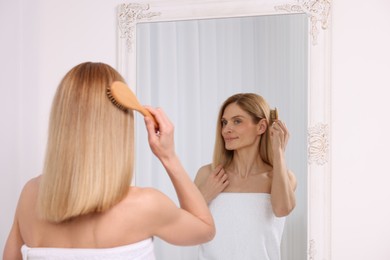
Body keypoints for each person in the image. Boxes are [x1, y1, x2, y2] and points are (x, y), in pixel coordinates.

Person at [3, 62, 215, 260]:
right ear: (119, 126)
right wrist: (168, 156)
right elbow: (205, 229)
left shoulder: (30, 195)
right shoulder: (145, 206)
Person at [195, 93, 296, 260]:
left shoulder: (281, 177)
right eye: (224, 122)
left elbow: (282, 209)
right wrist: (204, 196)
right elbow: (183, 228)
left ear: (261, 126)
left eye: (237, 121)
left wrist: (278, 152)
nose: (226, 129)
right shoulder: (208, 175)